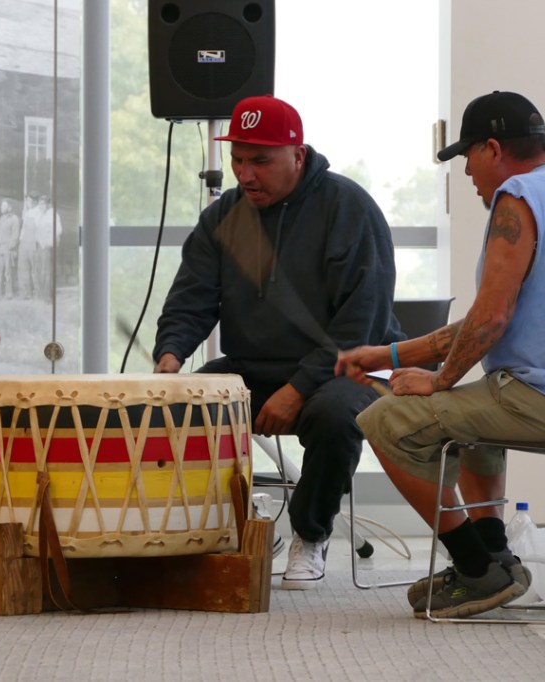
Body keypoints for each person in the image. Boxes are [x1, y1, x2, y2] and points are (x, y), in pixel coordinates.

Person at [338, 91, 545, 619]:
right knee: (471, 412)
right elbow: (484, 319)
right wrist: (385, 354)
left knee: (383, 420)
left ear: (493, 149)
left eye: (467, 157)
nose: (467, 172)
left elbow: (491, 319)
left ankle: (475, 570)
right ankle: (495, 557)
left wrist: (437, 380)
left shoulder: (516, 197)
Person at [153, 94, 400, 590]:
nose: (246, 174)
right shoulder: (223, 218)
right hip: (254, 367)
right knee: (174, 409)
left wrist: (297, 388)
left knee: (333, 415)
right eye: (237, 160)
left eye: (260, 161)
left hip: (346, 369)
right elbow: (190, 300)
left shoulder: (348, 209)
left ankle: (311, 533)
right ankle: (211, 532)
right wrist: (167, 363)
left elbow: (360, 324)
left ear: (298, 155)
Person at [0, 198, 20, 298]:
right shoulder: (1, 218)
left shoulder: (15, 219)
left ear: (9, 207)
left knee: (8, 272)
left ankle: (9, 293)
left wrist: (10, 247)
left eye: (3, 205)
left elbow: (15, 235)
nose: (1, 207)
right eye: (1, 206)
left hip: (8, 248)